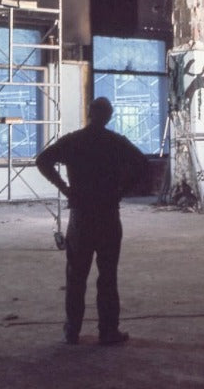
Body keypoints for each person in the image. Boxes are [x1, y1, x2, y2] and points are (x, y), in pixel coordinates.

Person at [35, 96, 149, 346]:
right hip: (108, 214)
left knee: (76, 276)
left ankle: (72, 331)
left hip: (81, 216)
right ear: (109, 116)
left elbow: (42, 161)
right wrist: (122, 190)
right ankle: (108, 332)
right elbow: (143, 165)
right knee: (107, 276)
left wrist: (65, 188)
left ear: (89, 113)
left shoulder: (74, 141)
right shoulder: (115, 142)